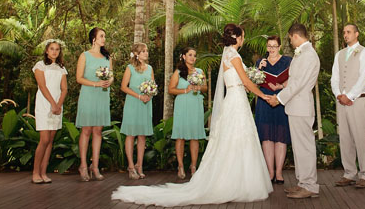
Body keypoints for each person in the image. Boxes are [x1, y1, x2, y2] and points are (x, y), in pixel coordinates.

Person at [112, 23, 273, 206]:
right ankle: (235, 183)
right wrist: (264, 95)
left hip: (237, 99)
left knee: (236, 139)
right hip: (236, 99)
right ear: (236, 37)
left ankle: (239, 181)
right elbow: (244, 80)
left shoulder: (229, 54)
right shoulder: (233, 56)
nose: (243, 39)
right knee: (237, 138)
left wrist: (256, 76)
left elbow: (244, 79)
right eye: (242, 36)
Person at [266, 23, 322, 199]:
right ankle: (303, 183)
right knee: (298, 148)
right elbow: (293, 80)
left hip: (301, 106)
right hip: (295, 107)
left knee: (305, 147)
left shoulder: (308, 55)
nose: (290, 41)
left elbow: (298, 84)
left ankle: (310, 185)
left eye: (290, 38)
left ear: (295, 36)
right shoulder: (302, 54)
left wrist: (279, 98)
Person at [330, 24, 365, 189]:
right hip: (342, 101)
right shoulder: (339, 54)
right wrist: (338, 94)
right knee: (345, 138)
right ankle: (349, 173)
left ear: (357, 33)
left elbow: (363, 77)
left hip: (358, 100)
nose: (345, 35)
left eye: (348, 32)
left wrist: (350, 96)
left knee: (361, 138)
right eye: (344, 32)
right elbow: (335, 77)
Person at [75, 27, 113, 182]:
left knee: (98, 130)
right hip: (89, 95)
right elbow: (79, 78)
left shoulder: (107, 57)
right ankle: (83, 166)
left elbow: (111, 76)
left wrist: (108, 81)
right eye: (101, 36)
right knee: (86, 130)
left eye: (105, 36)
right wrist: (95, 84)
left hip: (103, 96)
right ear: (94, 39)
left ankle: (95, 167)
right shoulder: (84, 56)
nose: (104, 39)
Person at [255, 36, 292, 184]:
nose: (271, 49)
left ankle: (279, 172)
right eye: (269, 46)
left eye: (274, 46)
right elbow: (254, 82)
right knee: (267, 137)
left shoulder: (287, 61)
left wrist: (281, 86)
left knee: (280, 136)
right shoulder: (260, 62)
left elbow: (293, 79)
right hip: (264, 100)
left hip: (281, 99)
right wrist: (259, 69)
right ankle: (270, 172)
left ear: (280, 47)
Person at [31, 39, 68, 184]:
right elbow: (42, 86)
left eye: (57, 49)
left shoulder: (61, 68)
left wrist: (58, 104)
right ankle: (35, 172)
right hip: (44, 105)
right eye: (52, 49)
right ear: (47, 51)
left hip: (57, 106)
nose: (54, 51)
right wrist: (53, 104)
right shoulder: (39, 66)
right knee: (44, 139)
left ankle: (43, 172)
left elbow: (64, 89)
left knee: (51, 140)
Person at [168, 47, 207, 179]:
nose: (192, 57)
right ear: (184, 56)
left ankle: (193, 166)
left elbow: (206, 87)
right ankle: (180, 166)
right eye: (190, 55)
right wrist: (186, 90)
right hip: (182, 104)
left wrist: (199, 87)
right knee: (181, 136)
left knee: (194, 136)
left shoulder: (200, 71)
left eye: (194, 55)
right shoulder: (178, 72)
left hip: (196, 104)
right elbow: (171, 89)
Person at [120, 43, 154, 180]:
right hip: (133, 103)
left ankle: (139, 165)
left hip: (146, 104)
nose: (146, 53)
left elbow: (153, 85)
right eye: (143, 51)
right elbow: (123, 87)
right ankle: (130, 166)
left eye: (146, 50)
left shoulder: (150, 68)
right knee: (131, 134)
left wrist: (149, 95)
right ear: (137, 54)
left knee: (142, 135)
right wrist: (139, 96)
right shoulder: (130, 68)